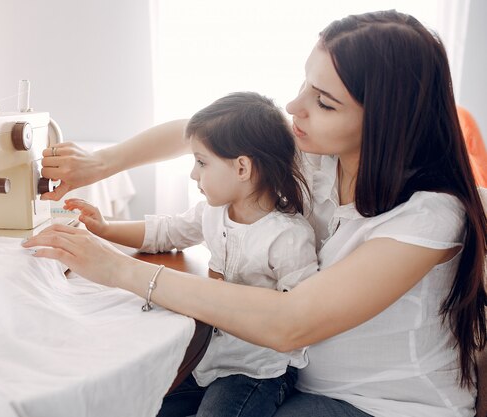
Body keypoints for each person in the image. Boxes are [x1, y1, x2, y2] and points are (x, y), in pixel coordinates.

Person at [24, 10, 487, 417]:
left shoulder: (429, 215)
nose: (294, 106)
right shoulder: (318, 158)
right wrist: (102, 165)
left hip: (382, 406)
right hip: (293, 376)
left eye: (323, 102)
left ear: (387, 119)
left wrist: (116, 269)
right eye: (304, 83)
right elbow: (205, 132)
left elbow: (291, 322)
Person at [62, 92, 318, 417]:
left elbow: (303, 318)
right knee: (144, 403)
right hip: (209, 357)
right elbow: (166, 233)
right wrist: (104, 227)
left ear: (242, 168)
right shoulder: (212, 212)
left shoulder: (287, 237)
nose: (194, 175)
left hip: (257, 371)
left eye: (201, 162)